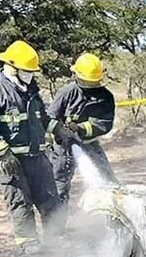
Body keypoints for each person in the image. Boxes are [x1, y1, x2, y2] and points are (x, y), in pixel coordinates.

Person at [0, 40, 62, 254]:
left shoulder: (30, 90)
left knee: (50, 198)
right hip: (12, 162)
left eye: (32, 72)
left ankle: (56, 239)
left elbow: (42, 118)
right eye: (26, 71)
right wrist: (3, 153)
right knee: (20, 202)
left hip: (38, 158)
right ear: (12, 67)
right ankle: (28, 244)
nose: (30, 75)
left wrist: (59, 129)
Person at [47, 52, 117, 211]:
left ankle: (114, 220)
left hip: (89, 144)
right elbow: (49, 117)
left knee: (108, 180)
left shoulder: (106, 97)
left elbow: (105, 123)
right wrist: (59, 129)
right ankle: (57, 227)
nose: (91, 86)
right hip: (63, 146)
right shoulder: (67, 92)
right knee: (60, 185)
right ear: (76, 75)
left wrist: (80, 128)